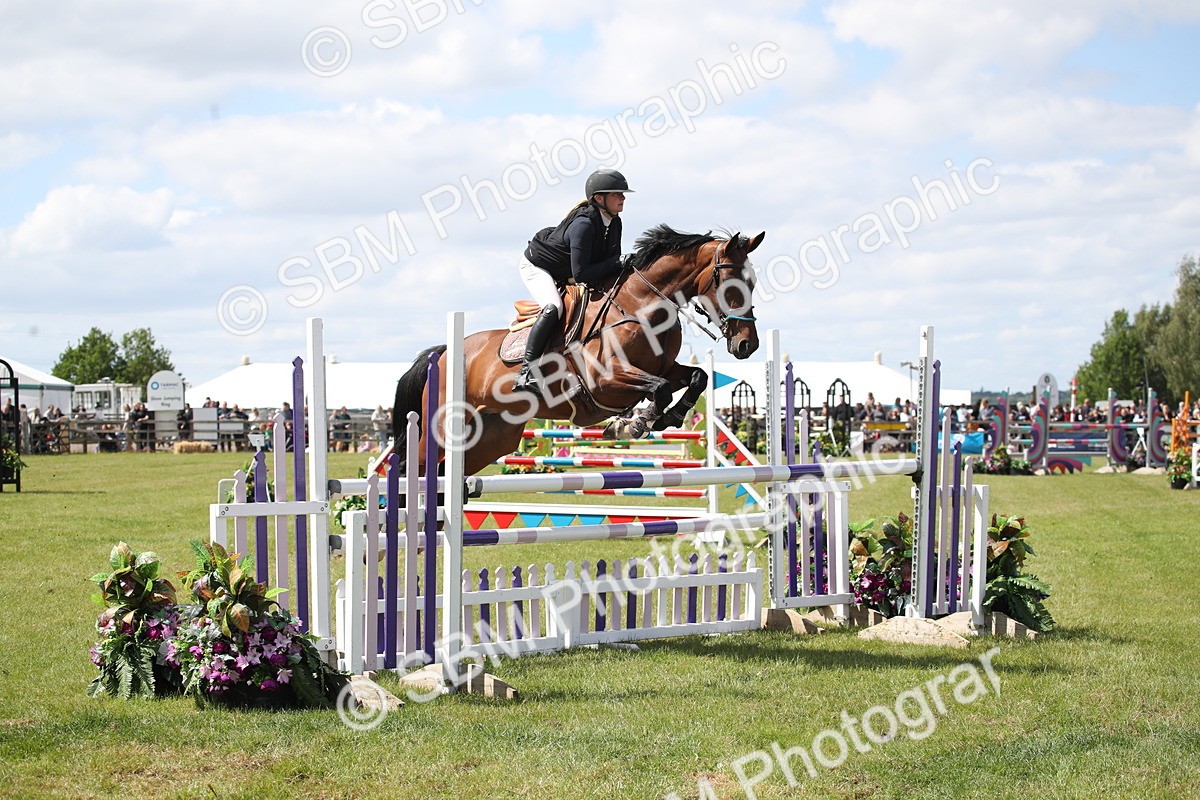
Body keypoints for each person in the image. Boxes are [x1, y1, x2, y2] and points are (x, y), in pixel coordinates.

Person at [513, 167, 633, 396]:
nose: (623, 198)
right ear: (599, 198)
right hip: (538, 266)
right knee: (554, 307)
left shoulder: (615, 222)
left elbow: (610, 264)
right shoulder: (584, 225)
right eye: (617, 193)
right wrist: (618, 262)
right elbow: (582, 274)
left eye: (623, 194)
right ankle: (527, 372)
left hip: (568, 269)